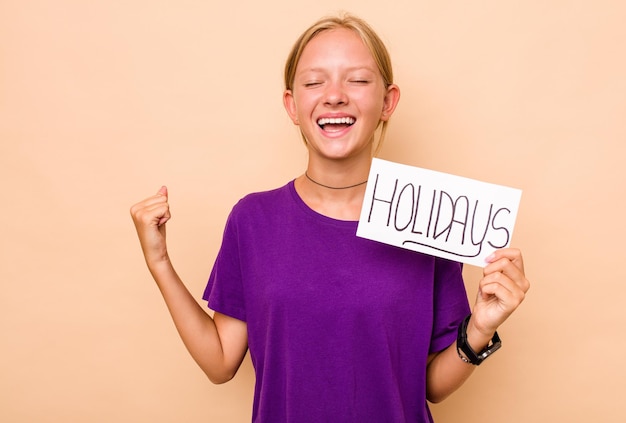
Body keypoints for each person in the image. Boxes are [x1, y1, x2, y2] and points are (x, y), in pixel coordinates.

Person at [130, 12, 530, 423]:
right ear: (292, 104)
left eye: (357, 80)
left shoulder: (427, 218)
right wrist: (159, 262)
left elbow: (429, 386)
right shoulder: (253, 220)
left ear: (388, 102)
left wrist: (480, 327)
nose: (334, 95)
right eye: (314, 81)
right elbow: (219, 362)